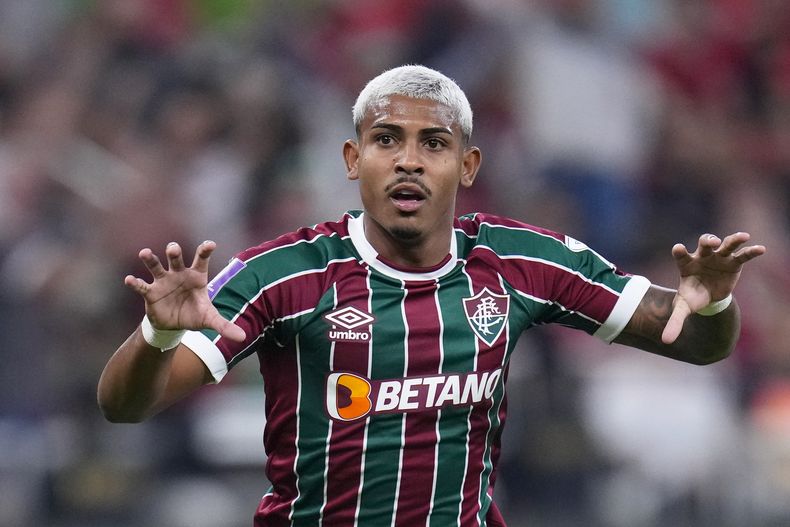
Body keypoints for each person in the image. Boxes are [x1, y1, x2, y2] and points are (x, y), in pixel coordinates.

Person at [97, 65, 766, 526]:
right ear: (354, 159)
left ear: (467, 165)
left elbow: (697, 342)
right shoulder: (284, 274)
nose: (409, 160)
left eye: (434, 143)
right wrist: (157, 334)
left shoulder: (518, 261)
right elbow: (126, 405)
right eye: (387, 140)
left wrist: (709, 303)